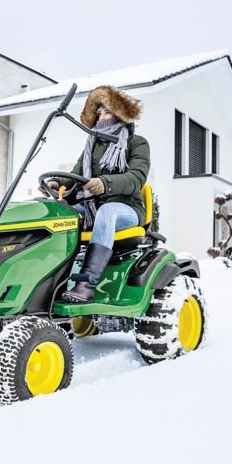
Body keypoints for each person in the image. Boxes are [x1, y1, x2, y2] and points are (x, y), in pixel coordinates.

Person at [45, 85, 150, 303]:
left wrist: (105, 183)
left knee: (107, 211)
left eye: (107, 111)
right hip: (92, 206)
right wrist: (57, 184)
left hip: (126, 208)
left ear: (121, 115)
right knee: (61, 214)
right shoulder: (91, 145)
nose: (102, 116)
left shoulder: (136, 143)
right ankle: (51, 280)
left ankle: (86, 284)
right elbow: (75, 176)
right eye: (99, 112)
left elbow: (136, 178)